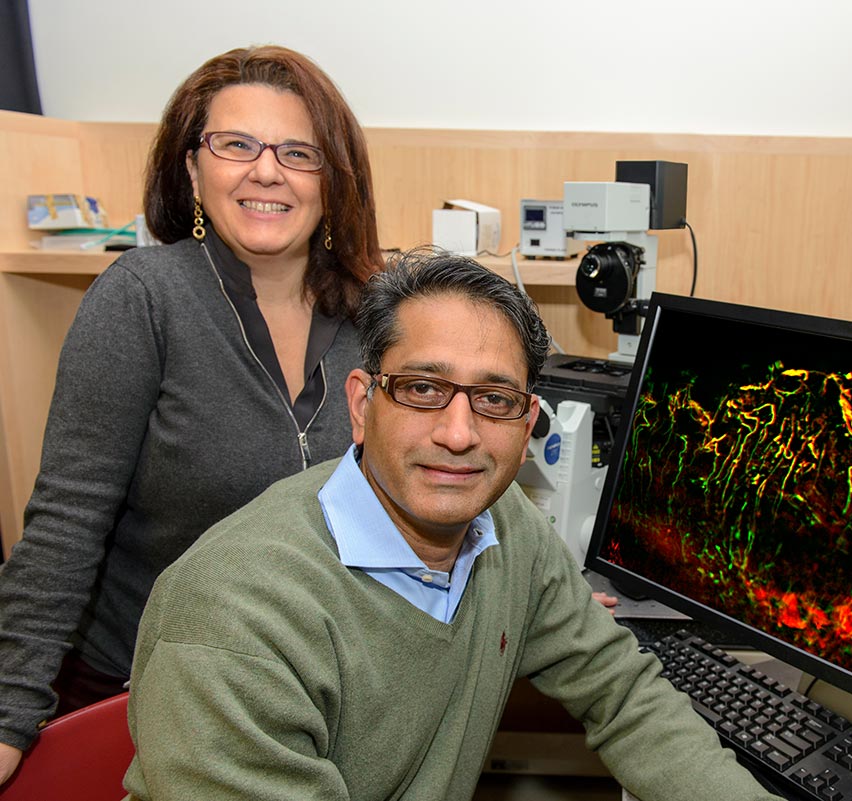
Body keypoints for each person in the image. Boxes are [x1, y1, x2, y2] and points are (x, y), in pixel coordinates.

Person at [122, 250, 780, 801]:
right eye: (422, 388)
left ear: (526, 431)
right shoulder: (234, 619)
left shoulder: (504, 525)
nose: (459, 433)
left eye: (494, 400)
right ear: (361, 404)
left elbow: (619, 688)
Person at [0, 44, 383, 785]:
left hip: (311, 696)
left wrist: (536, 582)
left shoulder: (378, 315)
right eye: (235, 144)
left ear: (333, 181)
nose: (265, 171)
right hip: (140, 693)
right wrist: (8, 712)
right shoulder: (141, 297)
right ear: (191, 170)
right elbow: (65, 522)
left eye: (298, 152)